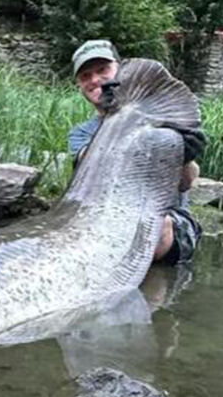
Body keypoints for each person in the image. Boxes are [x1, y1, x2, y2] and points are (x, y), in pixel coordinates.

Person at [67, 40, 203, 265]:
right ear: (79, 85)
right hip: (104, 219)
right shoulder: (80, 134)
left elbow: (185, 183)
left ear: (119, 69)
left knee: (152, 228)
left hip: (166, 221)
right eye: (85, 76)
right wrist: (113, 120)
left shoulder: (160, 116)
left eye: (102, 70)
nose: (95, 80)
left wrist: (185, 157)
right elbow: (88, 167)